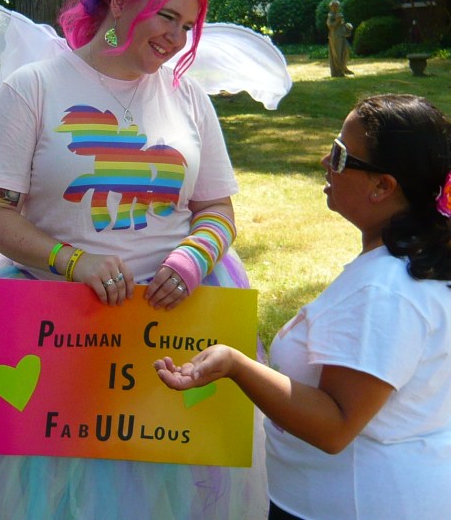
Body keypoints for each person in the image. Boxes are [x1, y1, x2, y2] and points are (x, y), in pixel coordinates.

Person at [0, 0, 269, 519]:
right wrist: (72, 261)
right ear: (119, 0)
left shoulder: (189, 98)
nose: (175, 37)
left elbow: (217, 208)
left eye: (187, 26)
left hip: (171, 323)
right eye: (166, 15)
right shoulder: (33, 87)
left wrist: (192, 258)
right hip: (56, 327)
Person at [155, 93, 451, 519]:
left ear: (382, 186)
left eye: (340, 154)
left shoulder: (385, 291)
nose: (324, 163)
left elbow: (335, 426)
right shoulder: (412, 265)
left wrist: (235, 366)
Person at [327, 0, 354, 77]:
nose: (337, 8)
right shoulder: (331, 15)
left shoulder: (339, 14)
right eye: (335, 6)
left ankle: (343, 67)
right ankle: (338, 71)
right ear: (332, 7)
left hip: (341, 36)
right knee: (337, 54)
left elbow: (341, 25)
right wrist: (337, 21)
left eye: (338, 6)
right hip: (335, 37)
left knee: (345, 52)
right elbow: (330, 26)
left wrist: (348, 27)